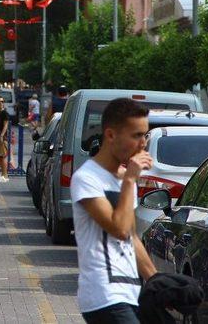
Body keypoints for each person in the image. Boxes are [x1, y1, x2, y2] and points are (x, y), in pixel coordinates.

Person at [70, 98, 157, 323]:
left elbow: (130, 236)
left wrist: (157, 282)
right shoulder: (86, 178)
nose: (143, 144)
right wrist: (129, 180)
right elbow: (118, 229)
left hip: (131, 292)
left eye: (145, 135)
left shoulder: (125, 178)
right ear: (110, 135)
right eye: (136, 135)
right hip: (103, 294)